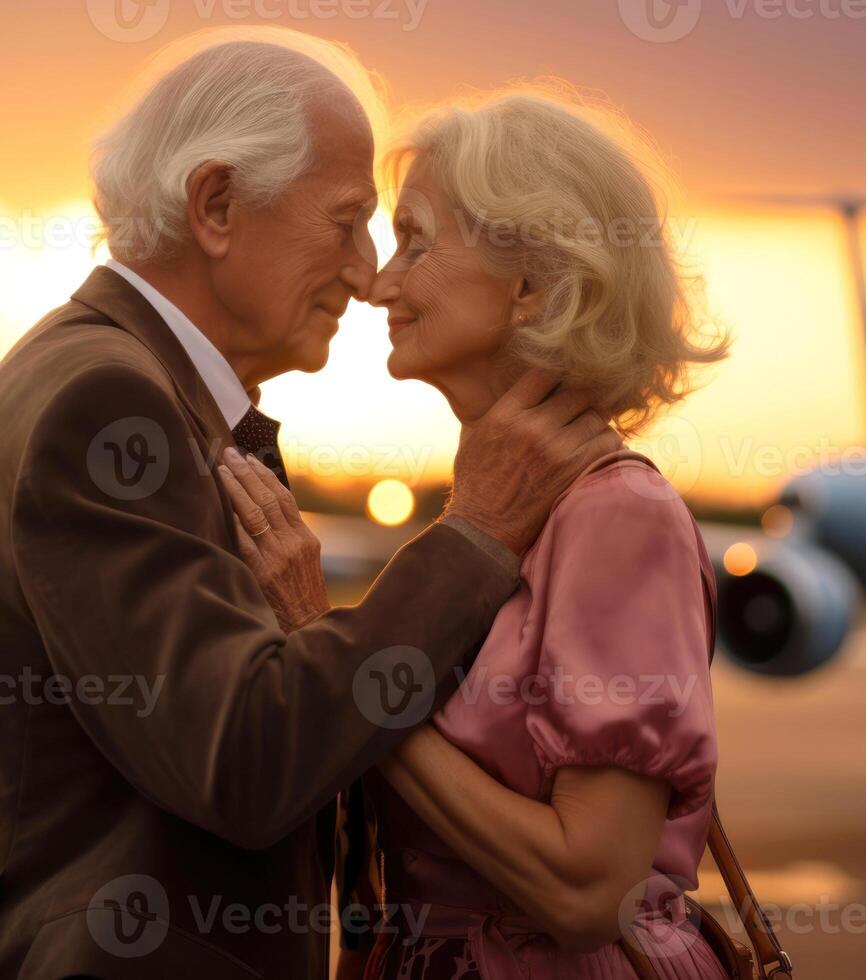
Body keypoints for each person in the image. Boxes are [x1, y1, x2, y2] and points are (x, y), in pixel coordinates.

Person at [0, 34, 619, 979]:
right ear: (216, 206)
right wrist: (472, 537)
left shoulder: (103, 377)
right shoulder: (106, 406)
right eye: (346, 222)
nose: (366, 272)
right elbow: (246, 761)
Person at [223, 85, 733, 979]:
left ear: (533, 286)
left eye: (417, 241)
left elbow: (588, 889)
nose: (379, 282)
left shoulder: (617, 517)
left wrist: (334, 664)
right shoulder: (505, 513)